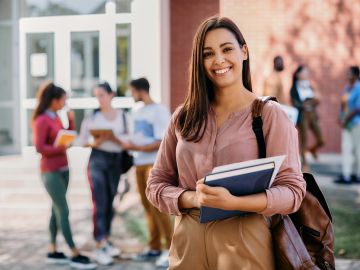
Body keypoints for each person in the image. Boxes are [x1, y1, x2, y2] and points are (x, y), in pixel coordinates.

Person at [145, 16, 306, 270]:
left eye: (227, 49)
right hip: (188, 245)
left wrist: (235, 203)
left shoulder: (269, 115)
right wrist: (192, 199)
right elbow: (155, 185)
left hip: (246, 243)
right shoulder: (183, 117)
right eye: (208, 53)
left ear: (243, 51)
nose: (218, 60)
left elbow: (293, 192)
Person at [32, 81, 96, 269]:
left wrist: (71, 120)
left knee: (56, 209)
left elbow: (68, 135)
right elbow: (39, 147)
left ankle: (52, 249)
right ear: (53, 101)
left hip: (63, 168)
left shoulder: (56, 117)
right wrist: (60, 147)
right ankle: (74, 252)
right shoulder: (42, 120)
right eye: (63, 100)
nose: (64, 103)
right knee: (64, 210)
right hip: (50, 171)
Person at [121, 78, 173, 268]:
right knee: (146, 207)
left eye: (132, 91)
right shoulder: (137, 112)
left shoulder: (159, 111)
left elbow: (163, 140)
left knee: (158, 208)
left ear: (141, 91)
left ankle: (171, 250)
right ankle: (154, 247)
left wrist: (137, 147)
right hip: (139, 164)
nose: (131, 95)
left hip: (154, 164)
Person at [77, 82, 127, 265]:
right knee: (100, 201)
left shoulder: (122, 116)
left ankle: (105, 239)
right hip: (97, 160)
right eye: (96, 95)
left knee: (111, 201)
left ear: (111, 94)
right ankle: (99, 243)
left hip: (116, 161)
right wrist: (94, 143)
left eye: (101, 95)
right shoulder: (92, 118)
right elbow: (82, 141)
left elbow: (129, 140)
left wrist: (114, 138)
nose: (99, 99)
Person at [290, 65, 324, 170]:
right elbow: (295, 103)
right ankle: (304, 164)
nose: (306, 74)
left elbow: (317, 99)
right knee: (304, 141)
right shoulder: (294, 88)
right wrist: (306, 103)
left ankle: (313, 149)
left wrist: (311, 101)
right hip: (303, 115)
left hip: (312, 114)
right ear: (298, 74)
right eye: (304, 72)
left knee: (321, 139)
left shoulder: (310, 85)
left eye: (307, 72)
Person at [335, 66, 360, 184]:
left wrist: (346, 118)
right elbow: (343, 105)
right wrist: (341, 118)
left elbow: (358, 108)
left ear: (356, 75)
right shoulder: (347, 88)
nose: (347, 76)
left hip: (356, 123)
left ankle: (358, 175)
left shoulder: (359, 88)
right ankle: (346, 175)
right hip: (346, 124)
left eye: (350, 74)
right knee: (346, 148)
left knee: (358, 150)